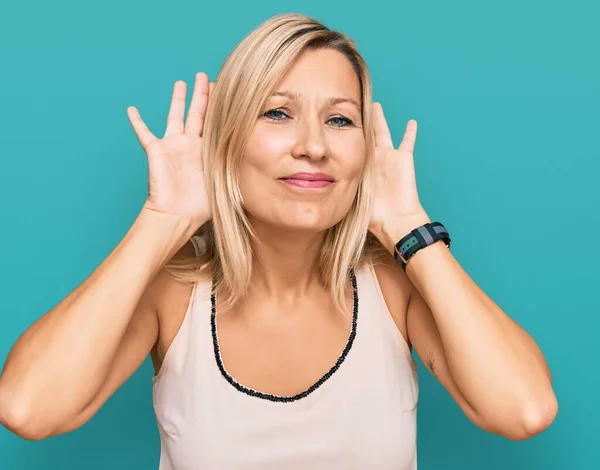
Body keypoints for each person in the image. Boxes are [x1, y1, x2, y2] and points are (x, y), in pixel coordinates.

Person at [0, 12, 557, 470]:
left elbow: (525, 410)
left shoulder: (395, 286)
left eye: (341, 121)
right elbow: (28, 409)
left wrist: (410, 227)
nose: (314, 146)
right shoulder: (172, 296)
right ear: (227, 139)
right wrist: (162, 219)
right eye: (277, 113)